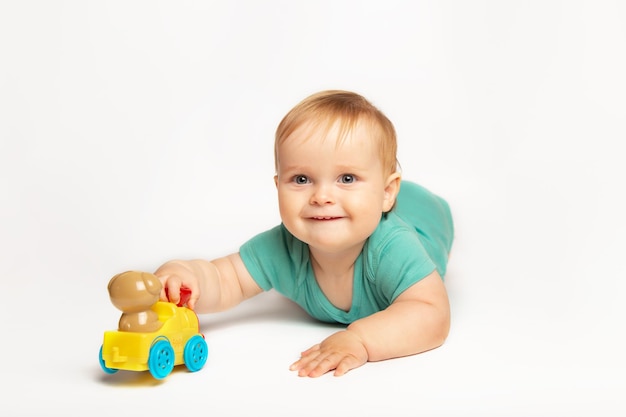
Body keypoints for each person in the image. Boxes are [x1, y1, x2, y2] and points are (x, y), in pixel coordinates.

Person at [154, 90, 454, 377]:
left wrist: (360, 340)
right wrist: (185, 275)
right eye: (301, 179)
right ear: (277, 188)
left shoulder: (393, 247)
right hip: (387, 202)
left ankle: (414, 199)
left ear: (387, 192)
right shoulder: (282, 246)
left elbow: (431, 313)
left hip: (426, 215)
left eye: (347, 178)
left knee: (428, 209)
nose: (321, 196)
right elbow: (226, 279)